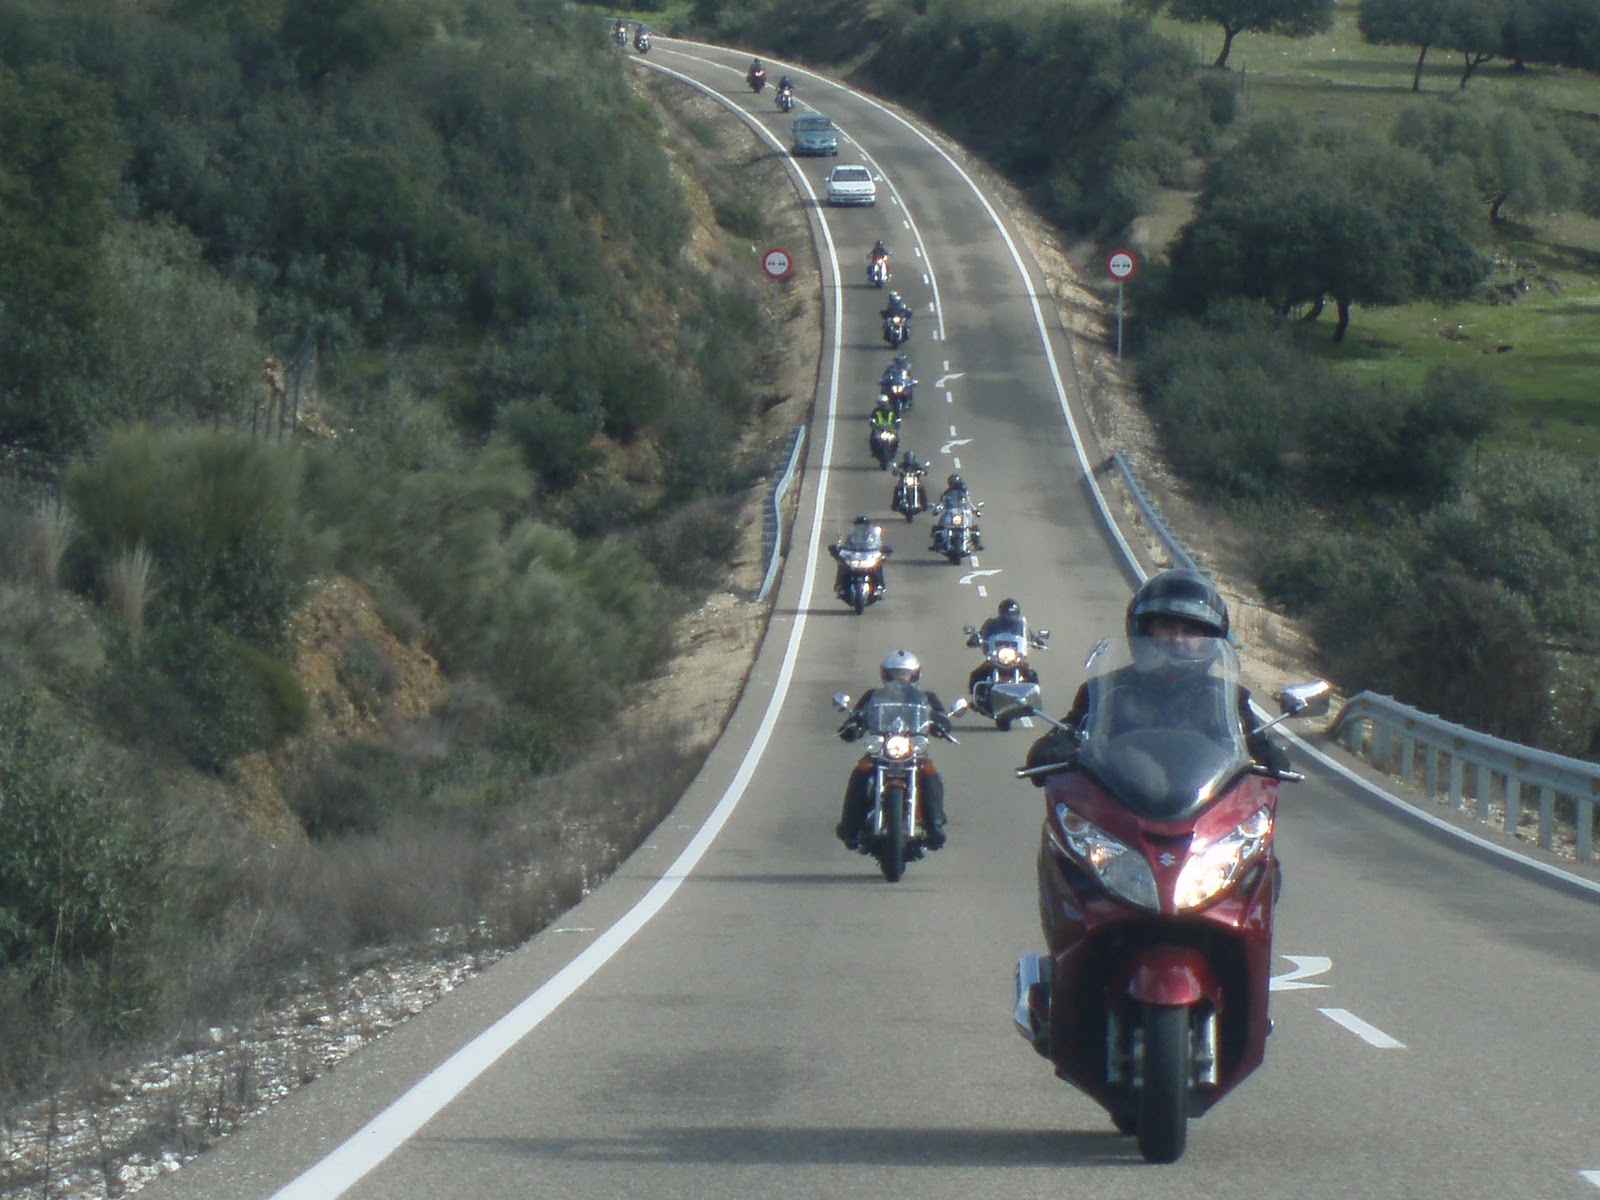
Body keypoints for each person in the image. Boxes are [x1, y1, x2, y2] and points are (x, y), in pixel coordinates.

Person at [1023, 569, 1291, 782]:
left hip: (1205, 819)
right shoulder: (1107, 689)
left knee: (1261, 852)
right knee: (1063, 844)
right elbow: (1068, 734)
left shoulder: (1228, 699)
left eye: (1191, 631)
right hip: (1121, 811)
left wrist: (1270, 756)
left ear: (1211, 640)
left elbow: (1258, 746)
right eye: (1166, 627)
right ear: (1142, 631)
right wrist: (1053, 748)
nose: (1178, 639)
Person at [836, 649, 952, 850]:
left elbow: (941, 716)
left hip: (912, 749)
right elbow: (858, 715)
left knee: (929, 772)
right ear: (886, 674)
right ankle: (850, 826)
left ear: (915, 675)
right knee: (861, 771)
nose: (901, 677)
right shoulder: (873, 696)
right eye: (896, 673)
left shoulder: (926, 698)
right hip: (882, 748)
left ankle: (934, 825)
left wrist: (941, 724)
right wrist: (851, 726)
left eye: (905, 673)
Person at [967, 598, 1046, 690]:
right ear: (1001, 612)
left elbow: (1030, 636)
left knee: (1031, 675)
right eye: (1007, 613)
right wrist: (975, 639)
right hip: (996, 658)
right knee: (977, 674)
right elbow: (982, 634)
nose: (1009, 616)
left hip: (1015, 659)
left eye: (1012, 614)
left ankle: (1032, 699)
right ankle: (977, 698)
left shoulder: (1020, 626)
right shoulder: (992, 624)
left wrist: (1037, 641)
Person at [829, 514, 892, 599]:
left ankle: (879, 586)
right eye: (858, 525)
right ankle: (840, 586)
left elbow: (877, 545)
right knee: (842, 566)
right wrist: (837, 550)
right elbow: (843, 546)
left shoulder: (872, 538)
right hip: (854, 558)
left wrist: (883, 552)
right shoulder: (850, 537)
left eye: (863, 525)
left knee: (878, 565)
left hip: (867, 557)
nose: (861, 528)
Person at [932, 474, 983, 551]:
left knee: (974, 528)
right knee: (938, 528)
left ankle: (977, 544)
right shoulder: (946, 493)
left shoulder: (964, 493)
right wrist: (937, 509)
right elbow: (942, 503)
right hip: (950, 512)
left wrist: (975, 510)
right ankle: (937, 543)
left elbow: (969, 503)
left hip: (962, 512)